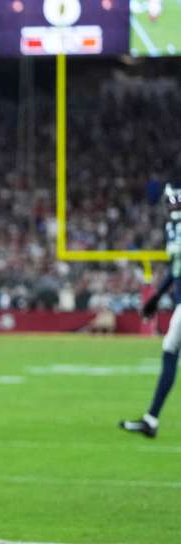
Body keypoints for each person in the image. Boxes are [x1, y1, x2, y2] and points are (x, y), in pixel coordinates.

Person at [121, 183, 181, 438]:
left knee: (170, 350)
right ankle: (151, 419)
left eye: (171, 201)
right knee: (169, 349)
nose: (168, 206)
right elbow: (175, 268)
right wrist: (156, 297)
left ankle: (151, 419)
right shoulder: (172, 228)